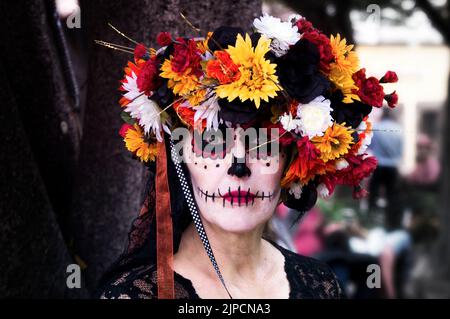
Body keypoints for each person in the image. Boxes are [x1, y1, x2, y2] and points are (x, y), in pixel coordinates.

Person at [95, 13, 399, 299]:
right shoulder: (133, 295)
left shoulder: (319, 284)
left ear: (290, 164)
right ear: (180, 159)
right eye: (213, 142)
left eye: (264, 144)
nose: (237, 167)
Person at [368, 108, 403, 229]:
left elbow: (370, 146)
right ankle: (392, 223)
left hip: (379, 165)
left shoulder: (377, 127)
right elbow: (400, 150)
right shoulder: (399, 129)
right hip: (393, 166)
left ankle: (371, 220)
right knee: (392, 195)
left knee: (373, 194)